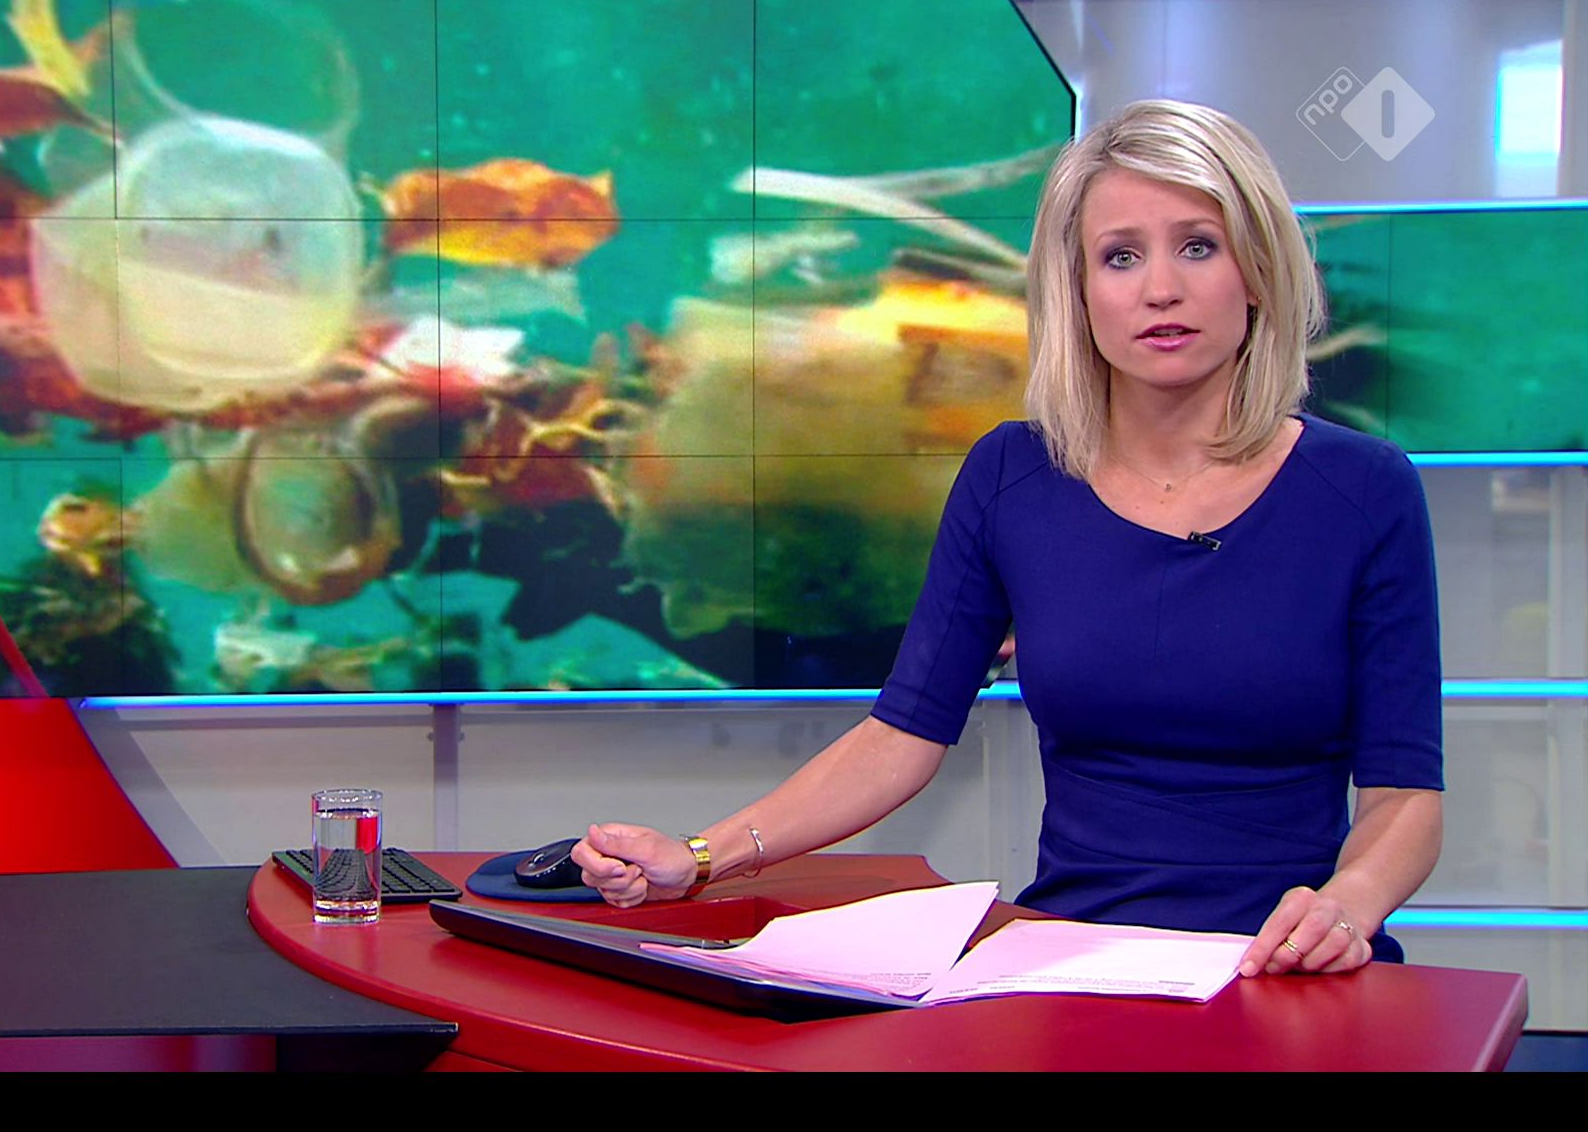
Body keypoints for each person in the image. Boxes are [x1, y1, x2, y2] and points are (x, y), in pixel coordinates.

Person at [573, 98, 1443, 978]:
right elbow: (900, 737)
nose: (1160, 289)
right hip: (1073, 963)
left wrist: (1347, 905)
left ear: (1256, 270)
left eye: (1197, 246)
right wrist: (701, 857)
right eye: (1120, 256)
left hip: (1290, 968)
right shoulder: (1012, 475)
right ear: (1077, 289)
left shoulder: (1364, 490)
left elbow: (1405, 794)